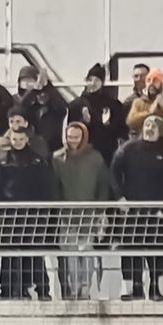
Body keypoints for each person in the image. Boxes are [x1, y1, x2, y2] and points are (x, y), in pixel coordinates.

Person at [111, 115, 163, 301]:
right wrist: (120, 198)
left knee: (156, 249)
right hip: (132, 210)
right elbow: (114, 173)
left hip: (156, 211)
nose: (150, 128)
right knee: (131, 249)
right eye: (147, 125)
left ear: (160, 130)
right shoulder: (128, 148)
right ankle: (135, 287)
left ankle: (156, 288)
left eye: (154, 126)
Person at [0, 129, 57, 300]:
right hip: (9, 214)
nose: (17, 141)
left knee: (33, 252)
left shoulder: (37, 160)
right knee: (9, 253)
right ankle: (8, 289)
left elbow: (45, 188)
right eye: (14, 139)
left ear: (27, 139)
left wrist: (42, 213)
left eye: (21, 138)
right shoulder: (2, 160)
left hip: (32, 213)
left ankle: (41, 289)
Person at [52, 122, 109, 299]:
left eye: (77, 137)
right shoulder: (57, 158)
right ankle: (74, 286)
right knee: (70, 252)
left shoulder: (95, 158)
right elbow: (55, 186)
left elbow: (103, 184)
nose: (73, 141)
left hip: (89, 211)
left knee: (87, 251)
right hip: (67, 213)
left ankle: (86, 286)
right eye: (70, 137)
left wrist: (100, 209)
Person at [66, 63, 127, 165]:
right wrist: (84, 123)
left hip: (106, 154)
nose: (93, 83)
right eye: (90, 80)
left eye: (97, 80)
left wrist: (107, 123)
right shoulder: (76, 105)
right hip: (84, 154)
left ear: (102, 83)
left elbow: (121, 130)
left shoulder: (113, 104)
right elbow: (71, 130)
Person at [125, 68, 163, 147]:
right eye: (149, 80)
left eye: (155, 80)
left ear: (161, 84)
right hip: (143, 148)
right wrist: (150, 113)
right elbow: (130, 121)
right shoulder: (139, 102)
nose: (151, 84)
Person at [16, 66, 67, 152]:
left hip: (53, 145)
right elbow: (21, 108)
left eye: (31, 80)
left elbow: (62, 108)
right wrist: (33, 90)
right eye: (24, 81)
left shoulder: (50, 97)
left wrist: (48, 85)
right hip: (28, 144)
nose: (28, 84)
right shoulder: (17, 99)